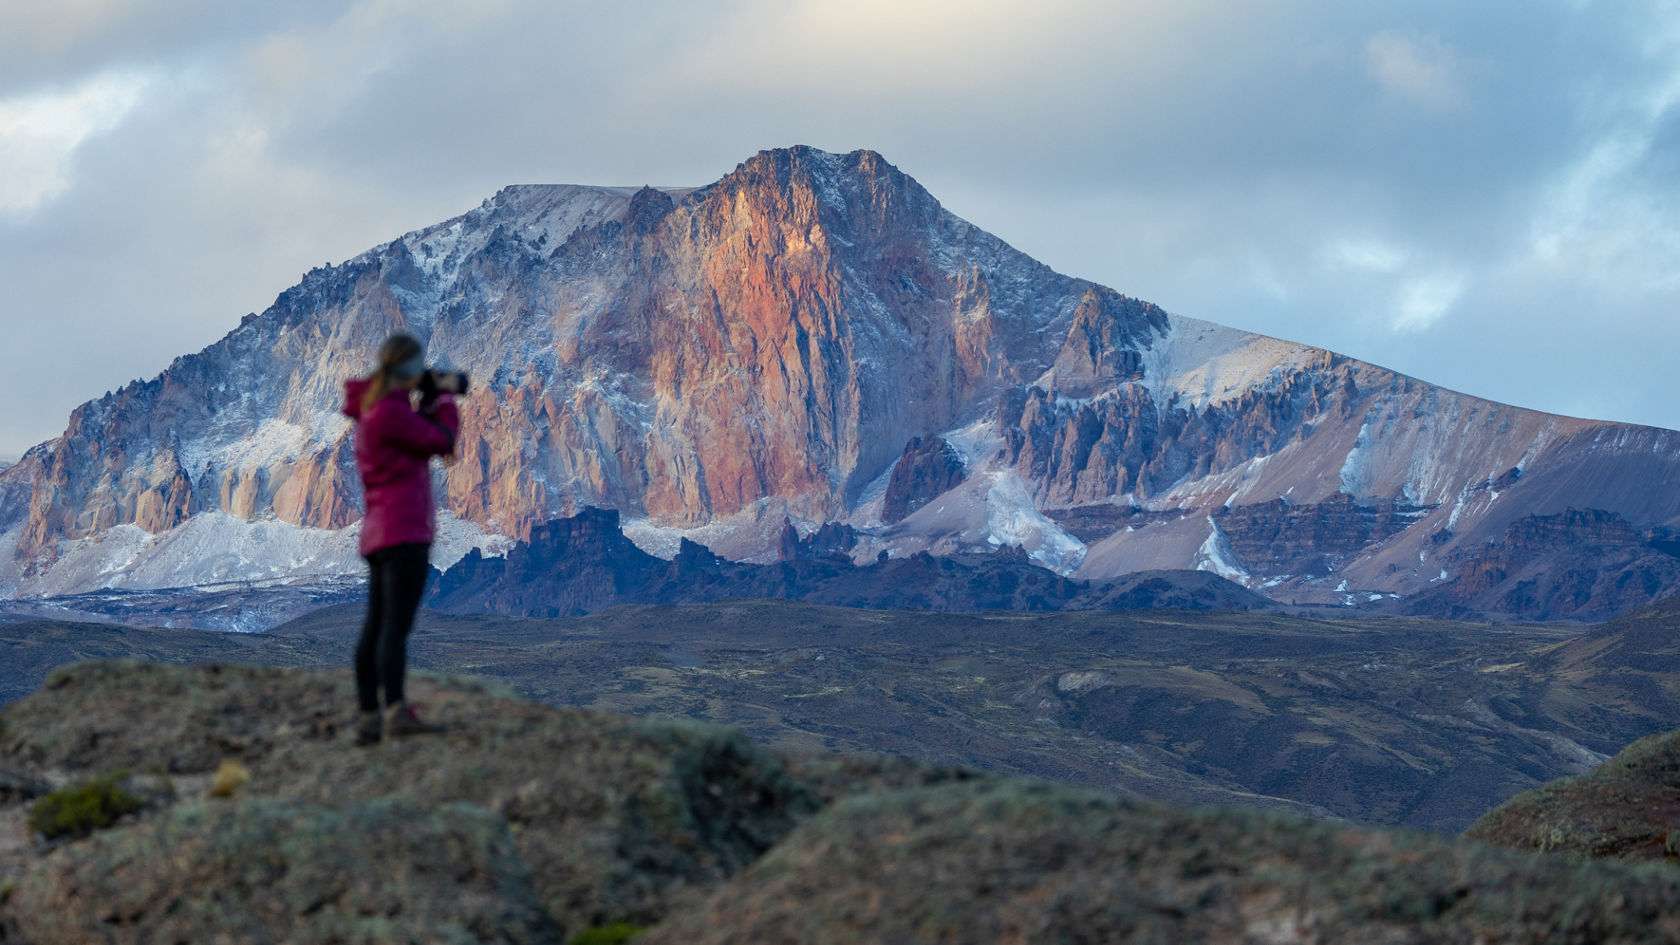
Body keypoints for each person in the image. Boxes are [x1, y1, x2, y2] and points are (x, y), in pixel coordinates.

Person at [341, 333, 459, 745]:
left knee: (376, 626)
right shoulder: (389, 413)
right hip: (403, 531)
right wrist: (442, 399)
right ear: (407, 369)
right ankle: (394, 710)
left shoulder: (374, 412)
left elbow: (418, 439)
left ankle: (369, 716)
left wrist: (425, 401)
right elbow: (442, 440)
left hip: (380, 533)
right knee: (393, 627)